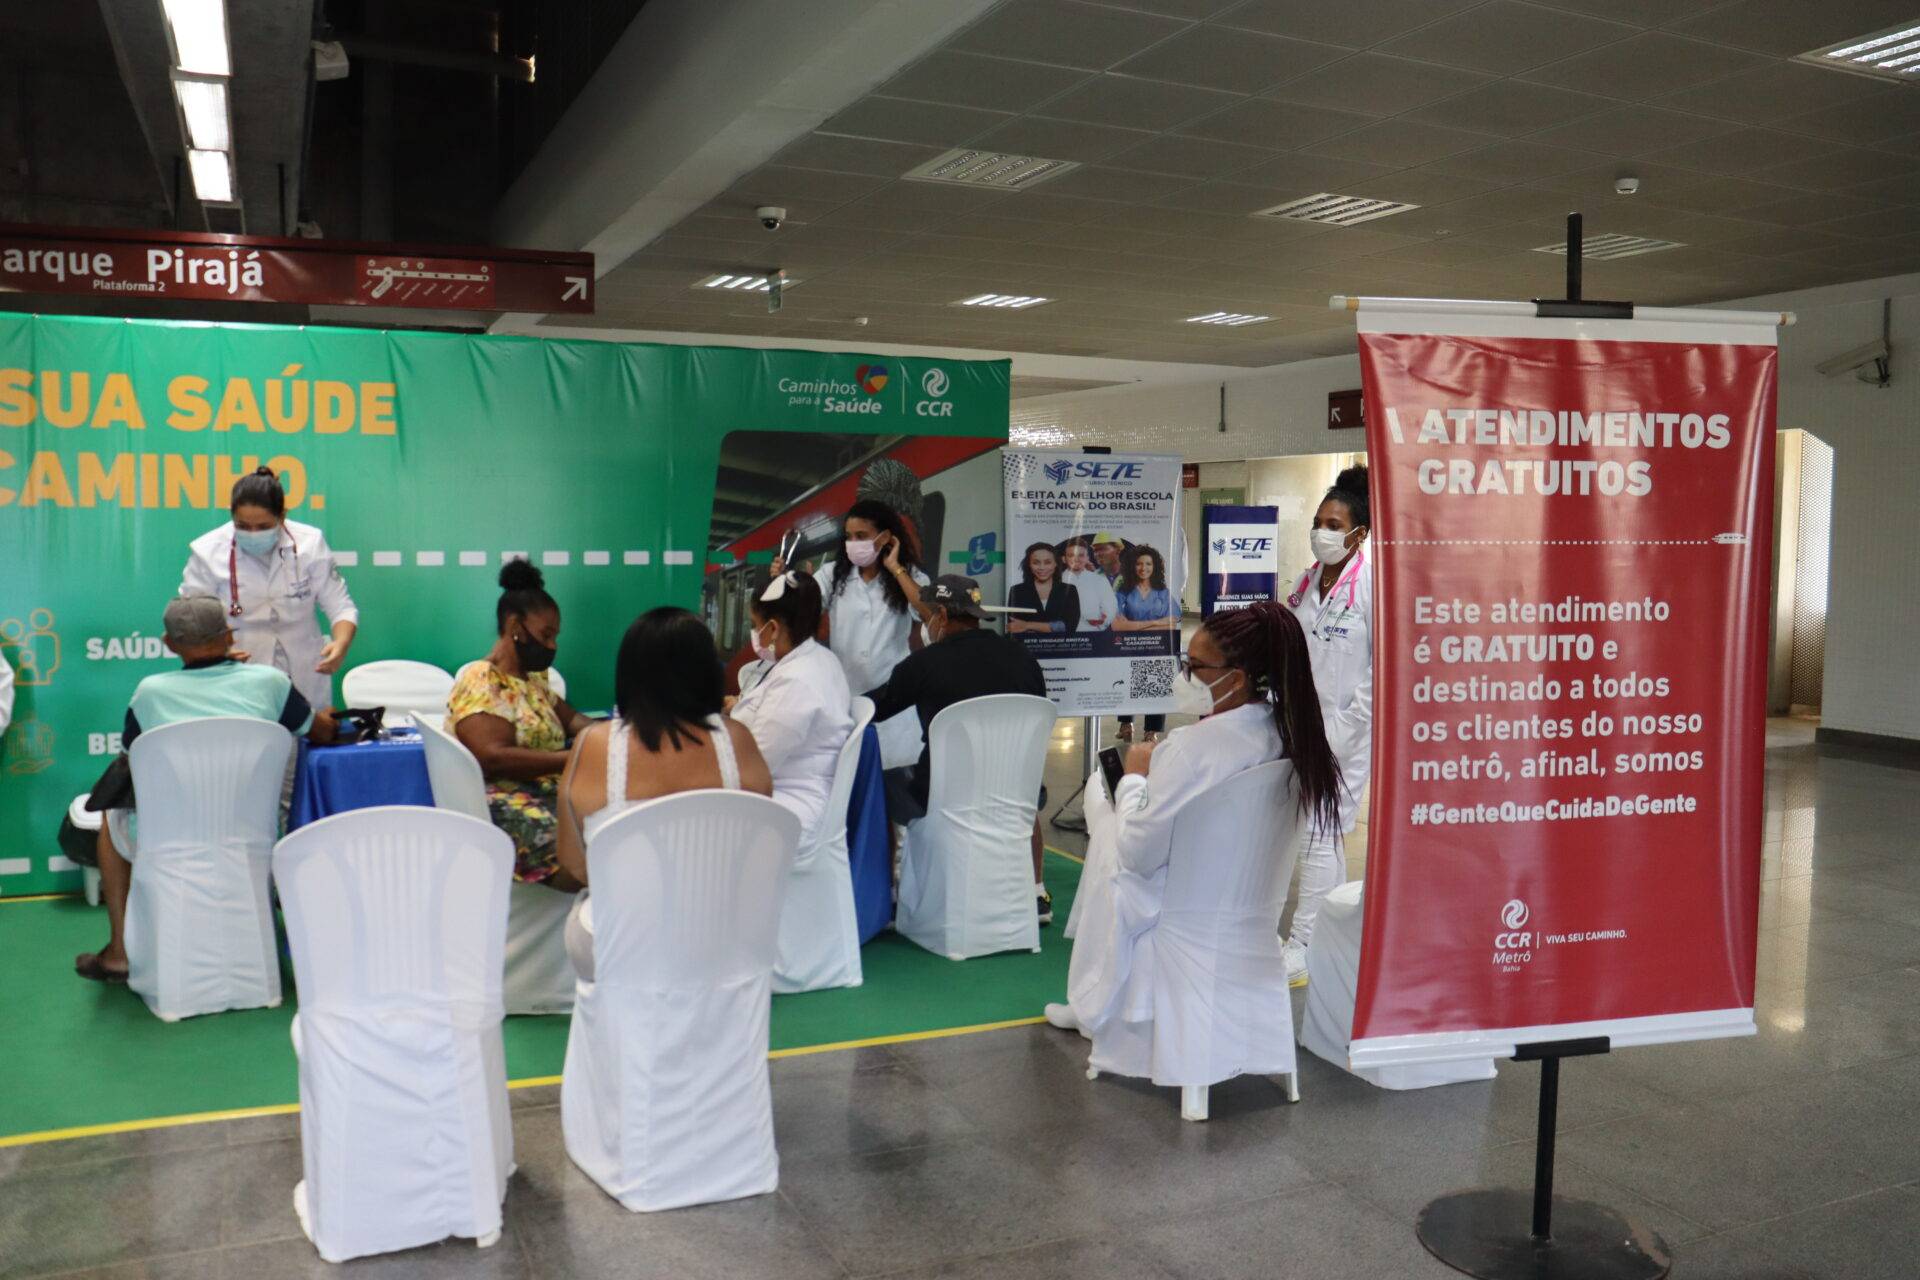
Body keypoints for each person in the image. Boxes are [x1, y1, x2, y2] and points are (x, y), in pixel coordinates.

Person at [1047, 601, 1341, 1035]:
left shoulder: (1193, 748)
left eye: (1194, 666)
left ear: (1235, 679)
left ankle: (1092, 1003)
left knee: (1105, 817)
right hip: (1250, 904)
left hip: (1183, 905)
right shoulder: (1290, 736)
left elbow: (1139, 855)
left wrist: (1133, 781)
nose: (1184, 676)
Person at [74, 595, 337, 983]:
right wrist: (326, 718)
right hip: (253, 832)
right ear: (229, 636)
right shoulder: (270, 683)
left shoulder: (150, 693)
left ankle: (119, 953)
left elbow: (133, 759)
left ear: (168, 644)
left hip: (170, 835)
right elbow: (324, 733)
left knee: (112, 827)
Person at [554, 607, 773, 980]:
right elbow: (758, 848)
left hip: (618, 942)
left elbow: (575, 864)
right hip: (723, 940)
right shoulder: (737, 742)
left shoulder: (595, 745)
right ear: (709, 672)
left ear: (629, 673)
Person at [863, 576, 1055, 920]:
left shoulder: (925, 663)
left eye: (927, 617)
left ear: (941, 616)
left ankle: (891, 897)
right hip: (1014, 790)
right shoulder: (1023, 656)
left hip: (946, 794)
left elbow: (875, 708)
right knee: (1022, 792)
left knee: (883, 783)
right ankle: (1036, 892)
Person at [1281, 464, 1374, 985]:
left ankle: (1305, 944)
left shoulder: (1372, 583)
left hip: (1345, 732)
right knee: (1326, 834)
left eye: (1334, 524)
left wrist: (1348, 725)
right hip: (1304, 724)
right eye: (1319, 521)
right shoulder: (1305, 581)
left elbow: (1384, 665)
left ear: (1358, 532)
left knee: (1320, 831)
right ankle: (1332, 940)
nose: (1323, 531)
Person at [448, 560, 595, 887]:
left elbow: (574, 722)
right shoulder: (482, 679)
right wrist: (573, 760)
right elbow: (493, 757)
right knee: (593, 856)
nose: (553, 645)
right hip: (505, 803)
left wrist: (620, 734)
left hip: (550, 793)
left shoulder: (533, 682)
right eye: (546, 634)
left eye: (555, 636)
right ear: (515, 625)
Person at [180, 466, 358, 713]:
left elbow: (340, 606)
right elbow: (191, 619)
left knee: (307, 739)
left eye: (263, 527)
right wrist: (214, 654)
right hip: (238, 672)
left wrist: (342, 643)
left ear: (282, 517)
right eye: (242, 526)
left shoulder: (309, 543)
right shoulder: (208, 550)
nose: (252, 533)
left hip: (305, 667)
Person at [786, 500, 929, 770]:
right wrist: (787, 581)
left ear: (885, 537)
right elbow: (803, 607)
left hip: (893, 704)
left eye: (861, 536)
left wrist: (895, 567)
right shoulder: (833, 575)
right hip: (845, 699)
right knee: (847, 782)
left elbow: (927, 612)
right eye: (849, 537)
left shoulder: (909, 576)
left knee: (892, 790)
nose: (853, 543)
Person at [725, 571, 854, 845]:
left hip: (789, 810)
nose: (754, 634)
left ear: (772, 629)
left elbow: (754, 767)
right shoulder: (819, 659)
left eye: (754, 624)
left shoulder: (797, 680)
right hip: (788, 794)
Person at [1006, 543, 1080, 635]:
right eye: (1036, 562)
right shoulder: (1017, 591)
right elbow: (1014, 626)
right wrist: (1053, 627)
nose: (1042, 567)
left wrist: (1027, 625)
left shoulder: (1069, 590)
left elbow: (1068, 626)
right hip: (1026, 647)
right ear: (1029, 564)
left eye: (1047, 562)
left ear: (1055, 563)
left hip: (1061, 647)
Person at [1062, 538, 1119, 632]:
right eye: (1071, 555)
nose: (1076, 559)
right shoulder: (1057, 581)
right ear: (1064, 559)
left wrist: (1098, 626)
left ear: (1087, 558)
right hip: (1064, 635)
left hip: (1094, 633)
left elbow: (1111, 608)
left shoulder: (1100, 580)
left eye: (1081, 555)